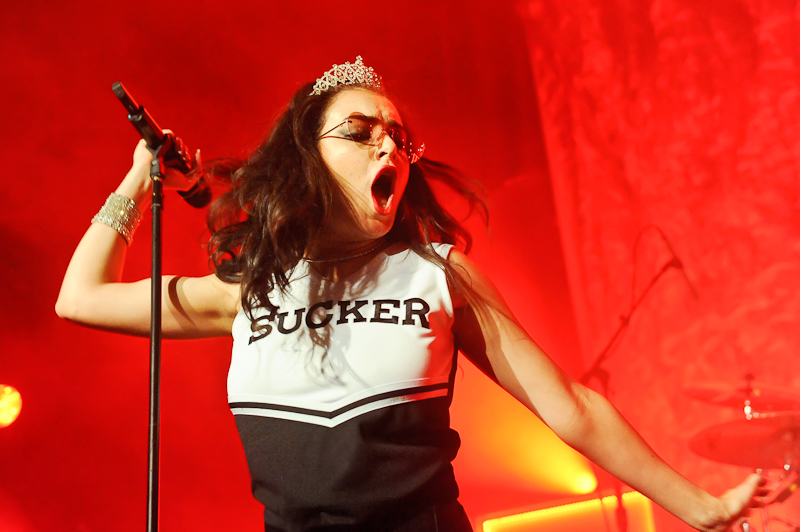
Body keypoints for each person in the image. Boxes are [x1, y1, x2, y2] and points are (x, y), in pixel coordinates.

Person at [56, 56, 764, 532]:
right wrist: (135, 180)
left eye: (398, 137)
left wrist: (700, 508)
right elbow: (80, 298)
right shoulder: (250, 292)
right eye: (359, 134)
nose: (388, 149)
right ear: (308, 156)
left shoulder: (435, 271)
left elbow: (571, 406)